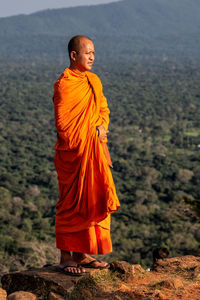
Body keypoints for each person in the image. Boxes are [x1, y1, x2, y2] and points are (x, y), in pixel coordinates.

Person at [53, 35, 120, 275]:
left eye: (94, 52)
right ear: (74, 55)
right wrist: (87, 136)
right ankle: (65, 257)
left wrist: (101, 128)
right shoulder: (64, 84)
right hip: (74, 154)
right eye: (87, 52)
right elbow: (63, 125)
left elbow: (103, 109)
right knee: (70, 204)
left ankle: (81, 255)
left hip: (94, 151)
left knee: (91, 201)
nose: (92, 57)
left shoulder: (94, 81)